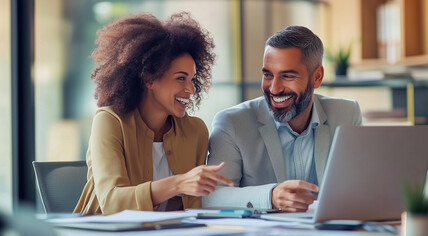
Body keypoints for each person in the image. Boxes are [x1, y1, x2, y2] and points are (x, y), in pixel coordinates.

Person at [74, 12, 233, 215]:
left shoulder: (195, 131)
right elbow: (112, 202)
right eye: (180, 78)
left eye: (192, 79)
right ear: (149, 78)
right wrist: (178, 183)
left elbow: (194, 209)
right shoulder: (110, 121)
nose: (191, 89)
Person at [202, 26, 362, 212]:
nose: (274, 88)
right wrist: (271, 196)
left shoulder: (347, 113)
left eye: (287, 76)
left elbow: (362, 186)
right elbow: (212, 196)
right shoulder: (231, 123)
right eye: (268, 75)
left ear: (317, 77)